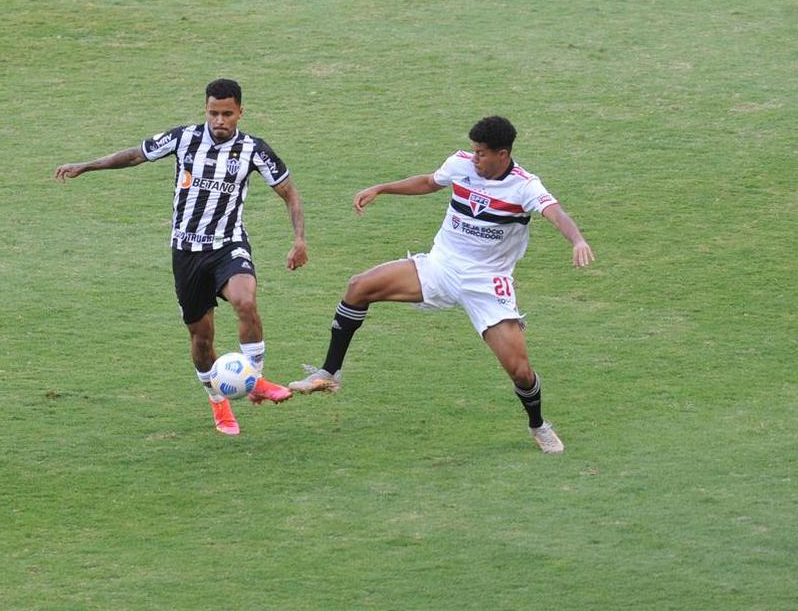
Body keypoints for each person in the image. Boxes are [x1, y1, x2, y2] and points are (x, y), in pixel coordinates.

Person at [289, 115, 594, 454]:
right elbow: (429, 182)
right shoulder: (461, 164)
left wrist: (577, 239)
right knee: (359, 287)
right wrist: (381, 188)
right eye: (474, 151)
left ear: (502, 154)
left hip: (486, 283)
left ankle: (538, 424)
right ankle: (329, 373)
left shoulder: (524, 186)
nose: (474, 157)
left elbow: (555, 212)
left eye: (481, 153)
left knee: (520, 372)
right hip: (440, 266)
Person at [55, 79, 308, 435]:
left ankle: (256, 381)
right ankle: (218, 402)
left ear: (240, 113)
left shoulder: (255, 149)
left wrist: (299, 239)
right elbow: (135, 155)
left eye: (227, 114)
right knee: (201, 338)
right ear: (205, 109)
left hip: (227, 244)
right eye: (213, 113)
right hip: (187, 253)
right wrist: (87, 165)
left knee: (245, 301)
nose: (219, 120)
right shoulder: (183, 138)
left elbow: (290, 193)